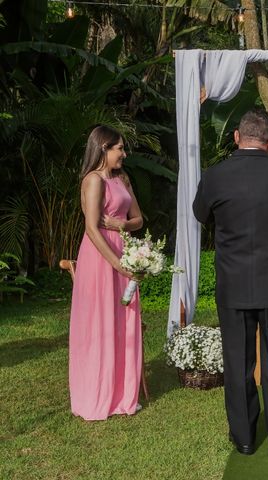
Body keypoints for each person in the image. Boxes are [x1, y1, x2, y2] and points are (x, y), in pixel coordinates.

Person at [192, 109, 268, 457]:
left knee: (237, 362)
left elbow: (201, 215)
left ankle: (244, 437)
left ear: (236, 137)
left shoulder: (214, 175)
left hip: (233, 285)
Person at [68, 125, 143, 421]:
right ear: (103, 149)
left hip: (123, 250)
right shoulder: (93, 180)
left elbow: (138, 219)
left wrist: (121, 226)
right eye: (119, 148)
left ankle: (124, 394)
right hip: (101, 257)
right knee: (101, 321)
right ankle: (98, 394)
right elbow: (91, 227)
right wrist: (116, 264)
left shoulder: (122, 179)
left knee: (125, 320)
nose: (123, 154)